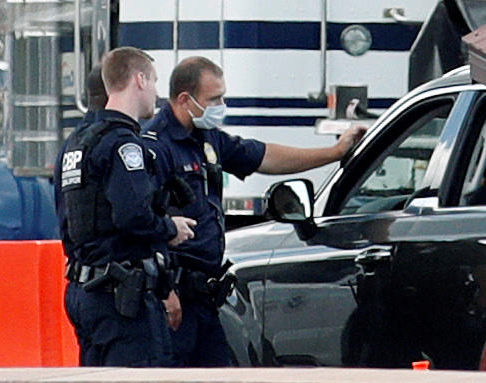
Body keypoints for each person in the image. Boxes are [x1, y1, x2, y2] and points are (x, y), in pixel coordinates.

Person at [151, 54, 367, 366]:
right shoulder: (155, 145)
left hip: (206, 296)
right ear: (185, 99)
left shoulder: (207, 137)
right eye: (215, 98)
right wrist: (163, 289)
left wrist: (333, 153)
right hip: (176, 296)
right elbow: (141, 221)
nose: (220, 105)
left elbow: (265, 157)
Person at [57, 47, 195, 366]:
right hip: (120, 298)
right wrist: (170, 228)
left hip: (84, 290)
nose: (157, 94)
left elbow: (67, 219)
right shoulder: (124, 144)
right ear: (140, 79)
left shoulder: (77, 143)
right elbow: (132, 215)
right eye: (155, 82)